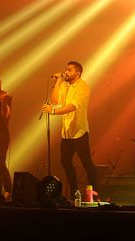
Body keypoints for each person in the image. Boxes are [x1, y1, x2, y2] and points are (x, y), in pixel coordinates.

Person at [41, 61, 98, 199]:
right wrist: (58, 81)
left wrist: (53, 112)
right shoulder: (65, 85)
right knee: (65, 161)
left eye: (69, 70)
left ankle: (96, 191)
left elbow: (73, 106)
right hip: (66, 132)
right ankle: (74, 192)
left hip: (79, 131)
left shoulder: (83, 87)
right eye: (66, 69)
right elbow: (55, 100)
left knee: (86, 162)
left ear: (77, 73)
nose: (66, 72)